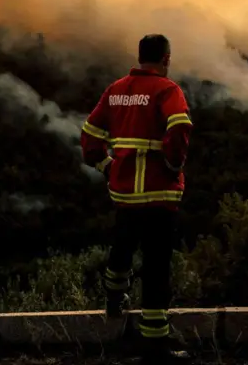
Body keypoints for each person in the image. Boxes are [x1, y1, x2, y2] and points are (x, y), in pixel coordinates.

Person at [80, 33, 193, 364]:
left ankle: (114, 297)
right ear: (166, 59)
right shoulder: (167, 90)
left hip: (125, 193)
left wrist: (106, 166)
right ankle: (155, 345)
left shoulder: (116, 90)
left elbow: (89, 136)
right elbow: (180, 128)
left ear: (140, 56)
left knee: (122, 249)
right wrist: (173, 165)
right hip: (158, 195)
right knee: (157, 268)